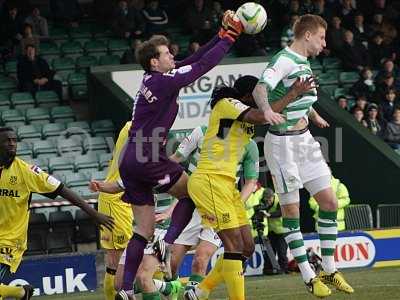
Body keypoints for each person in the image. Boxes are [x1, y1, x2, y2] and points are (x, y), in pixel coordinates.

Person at [117, 12, 262, 300]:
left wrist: (220, 34)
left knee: (142, 231)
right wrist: (232, 37)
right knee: (192, 191)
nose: (172, 56)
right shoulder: (162, 82)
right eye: (166, 54)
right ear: (153, 62)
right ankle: (169, 241)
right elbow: (202, 66)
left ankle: (125, 291)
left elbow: (193, 61)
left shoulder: (155, 79)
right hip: (147, 155)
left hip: (130, 160)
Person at [185, 75, 316, 299]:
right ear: (248, 94)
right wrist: (292, 94)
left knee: (246, 246)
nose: (262, 97)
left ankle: (199, 291)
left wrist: (294, 98)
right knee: (234, 245)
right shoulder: (227, 103)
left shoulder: (243, 112)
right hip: (209, 179)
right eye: (259, 93)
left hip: (226, 185)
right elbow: (261, 115)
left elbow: (267, 114)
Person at [252, 14, 354, 298]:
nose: (324, 43)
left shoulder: (303, 62)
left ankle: (330, 269)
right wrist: (267, 111)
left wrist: (314, 114)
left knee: (329, 201)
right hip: (282, 145)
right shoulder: (284, 59)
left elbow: (301, 96)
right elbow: (260, 89)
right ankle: (309, 276)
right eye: (321, 37)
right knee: (292, 211)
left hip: (305, 140)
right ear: (307, 35)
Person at [167, 78, 260, 290]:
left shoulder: (248, 139)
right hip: (204, 190)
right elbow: (177, 158)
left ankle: (198, 291)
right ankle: (163, 287)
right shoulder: (204, 127)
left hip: (224, 193)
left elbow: (251, 180)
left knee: (237, 248)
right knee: (177, 260)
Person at [0, 127, 114, 300]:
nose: (12, 144)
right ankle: (20, 292)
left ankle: (19, 292)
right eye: (7, 140)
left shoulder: (26, 171)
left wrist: (93, 213)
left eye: (14, 140)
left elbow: (62, 189)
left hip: (10, 241)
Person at [96, 121, 134, 300]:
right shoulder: (134, 127)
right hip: (115, 200)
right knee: (119, 258)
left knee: (121, 258)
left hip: (120, 197)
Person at [263, 188, 288, 274]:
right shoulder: (264, 202)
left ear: (273, 196)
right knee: (270, 252)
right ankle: (268, 269)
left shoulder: (279, 200)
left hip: (281, 231)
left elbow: (280, 212)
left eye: (269, 199)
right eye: (267, 199)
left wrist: (269, 215)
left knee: (282, 252)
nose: (268, 201)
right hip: (271, 231)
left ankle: (283, 269)